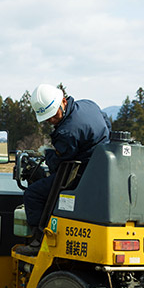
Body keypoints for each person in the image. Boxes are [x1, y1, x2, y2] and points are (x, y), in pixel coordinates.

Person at [16, 84, 110, 256]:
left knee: (33, 194)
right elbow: (107, 125)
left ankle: (38, 241)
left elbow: (60, 163)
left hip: (81, 173)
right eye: (47, 118)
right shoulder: (89, 105)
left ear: (63, 102)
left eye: (53, 115)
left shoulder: (67, 132)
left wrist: (49, 154)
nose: (51, 120)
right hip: (99, 167)